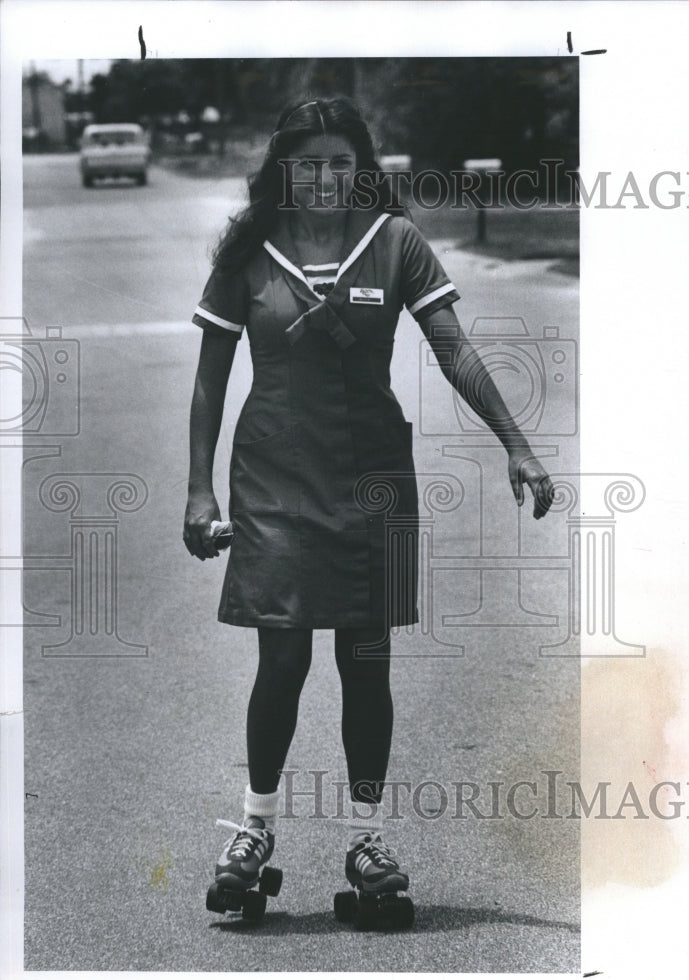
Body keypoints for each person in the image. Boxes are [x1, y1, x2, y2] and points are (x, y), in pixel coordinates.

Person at [184, 96, 554, 910]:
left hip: (373, 478)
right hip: (274, 479)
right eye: (307, 164)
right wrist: (198, 488)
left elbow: (453, 350)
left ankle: (366, 839)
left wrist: (517, 444)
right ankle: (254, 829)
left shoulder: (393, 243)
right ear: (284, 168)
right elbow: (211, 378)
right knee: (283, 658)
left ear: (361, 168)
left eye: (339, 163)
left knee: (366, 659)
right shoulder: (249, 249)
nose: (324, 178)